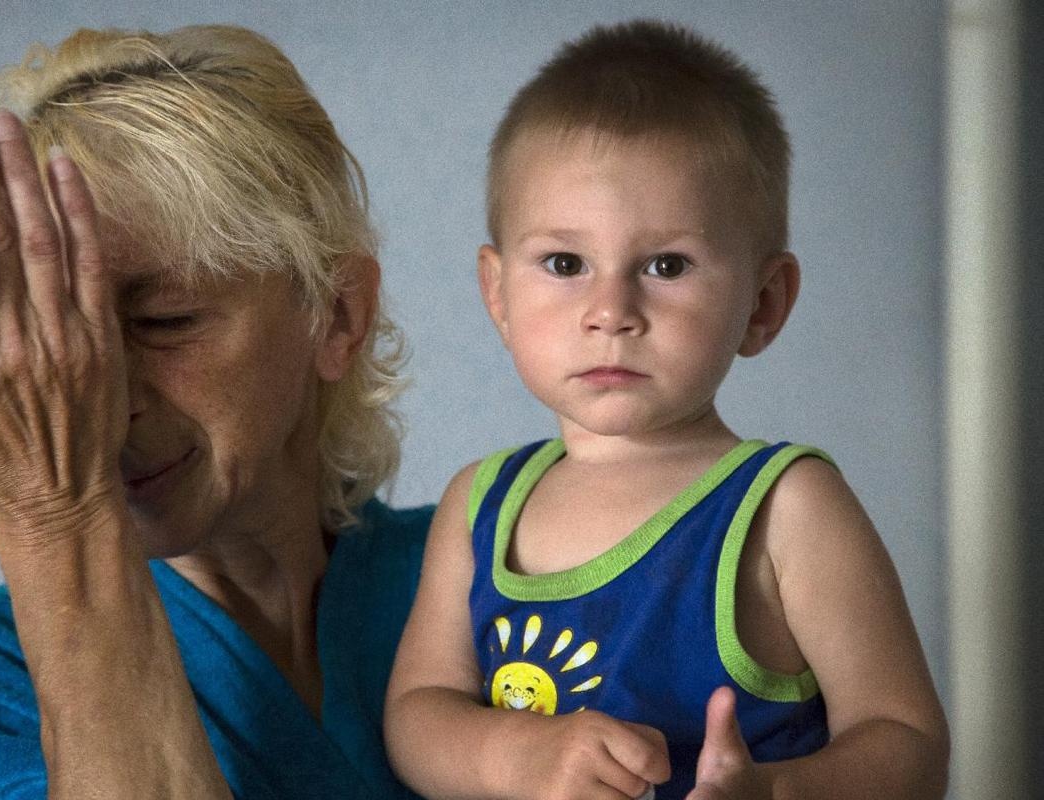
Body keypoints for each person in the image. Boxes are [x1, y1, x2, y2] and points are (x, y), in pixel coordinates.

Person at [0, 24, 429, 799]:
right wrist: (52, 516)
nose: (93, 398)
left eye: (164, 321)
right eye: (50, 340)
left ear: (338, 315)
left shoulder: (502, 575)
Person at [384, 19, 949, 800]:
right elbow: (417, 714)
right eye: (564, 263)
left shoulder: (785, 506)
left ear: (762, 301)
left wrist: (776, 794)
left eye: (665, 264)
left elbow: (907, 743)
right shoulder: (477, 503)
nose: (610, 309)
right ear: (497, 293)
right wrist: (514, 754)